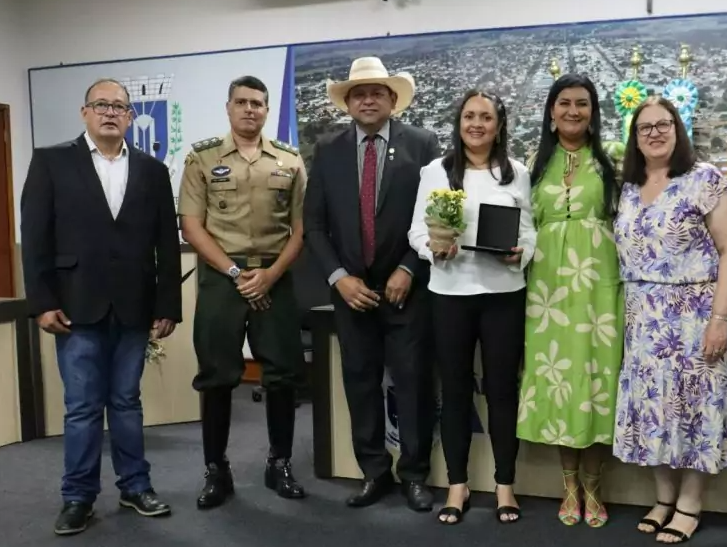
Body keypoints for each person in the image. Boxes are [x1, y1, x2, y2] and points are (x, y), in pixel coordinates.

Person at [19, 78, 181, 535]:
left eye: (119, 107)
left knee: (126, 403)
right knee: (83, 408)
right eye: (101, 105)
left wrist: (167, 303)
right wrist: (42, 302)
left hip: (135, 306)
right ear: (84, 112)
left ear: (131, 117)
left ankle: (136, 487)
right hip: (74, 306)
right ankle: (78, 497)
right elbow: (35, 240)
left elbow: (166, 244)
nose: (111, 112)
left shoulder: (152, 170)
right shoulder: (51, 162)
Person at [304, 56, 442, 511]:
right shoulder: (327, 150)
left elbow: (434, 218)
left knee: (413, 382)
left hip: (407, 289)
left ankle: (415, 474)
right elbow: (315, 226)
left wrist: (408, 267)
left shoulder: (423, 144)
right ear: (347, 103)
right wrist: (339, 279)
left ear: (391, 100)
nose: (367, 99)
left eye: (376, 92)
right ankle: (373, 472)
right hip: (350, 292)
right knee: (359, 381)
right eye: (358, 93)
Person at [613, 96, 727, 544]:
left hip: (697, 314)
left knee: (696, 409)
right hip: (644, 319)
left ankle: (690, 503)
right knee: (654, 410)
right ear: (635, 137)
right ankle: (663, 498)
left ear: (678, 128)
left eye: (663, 124)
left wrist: (721, 318)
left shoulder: (703, 180)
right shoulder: (628, 187)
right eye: (644, 127)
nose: (654, 132)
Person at [178, 75, 308, 509]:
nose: (250, 109)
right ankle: (216, 470)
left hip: (276, 276)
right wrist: (237, 273)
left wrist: (268, 276)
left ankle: (280, 462)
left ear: (267, 111)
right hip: (222, 278)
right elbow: (192, 226)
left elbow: (301, 229)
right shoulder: (202, 158)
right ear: (229, 108)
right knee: (216, 376)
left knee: (283, 374)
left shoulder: (290, 161)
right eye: (242, 102)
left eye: (258, 103)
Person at [408, 89, 536, 525]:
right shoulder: (435, 172)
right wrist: (432, 249)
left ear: (499, 125)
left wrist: (523, 252)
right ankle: (458, 485)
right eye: (468, 116)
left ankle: (505, 485)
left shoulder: (516, 173)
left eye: (486, 117)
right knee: (457, 392)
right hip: (450, 294)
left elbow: (531, 230)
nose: (476, 124)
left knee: (502, 391)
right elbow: (416, 233)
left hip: (504, 294)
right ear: (458, 123)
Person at [515, 73, 624, 528]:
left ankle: (594, 487)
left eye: (582, 103)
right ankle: (569, 487)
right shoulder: (532, 163)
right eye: (564, 103)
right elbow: (522, 223)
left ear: (593, 112)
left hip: (599, 284)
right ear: (551, 111)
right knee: (560, 383)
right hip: (547, 290)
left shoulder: (613, 160)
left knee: (598, 382)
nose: (573, 111)